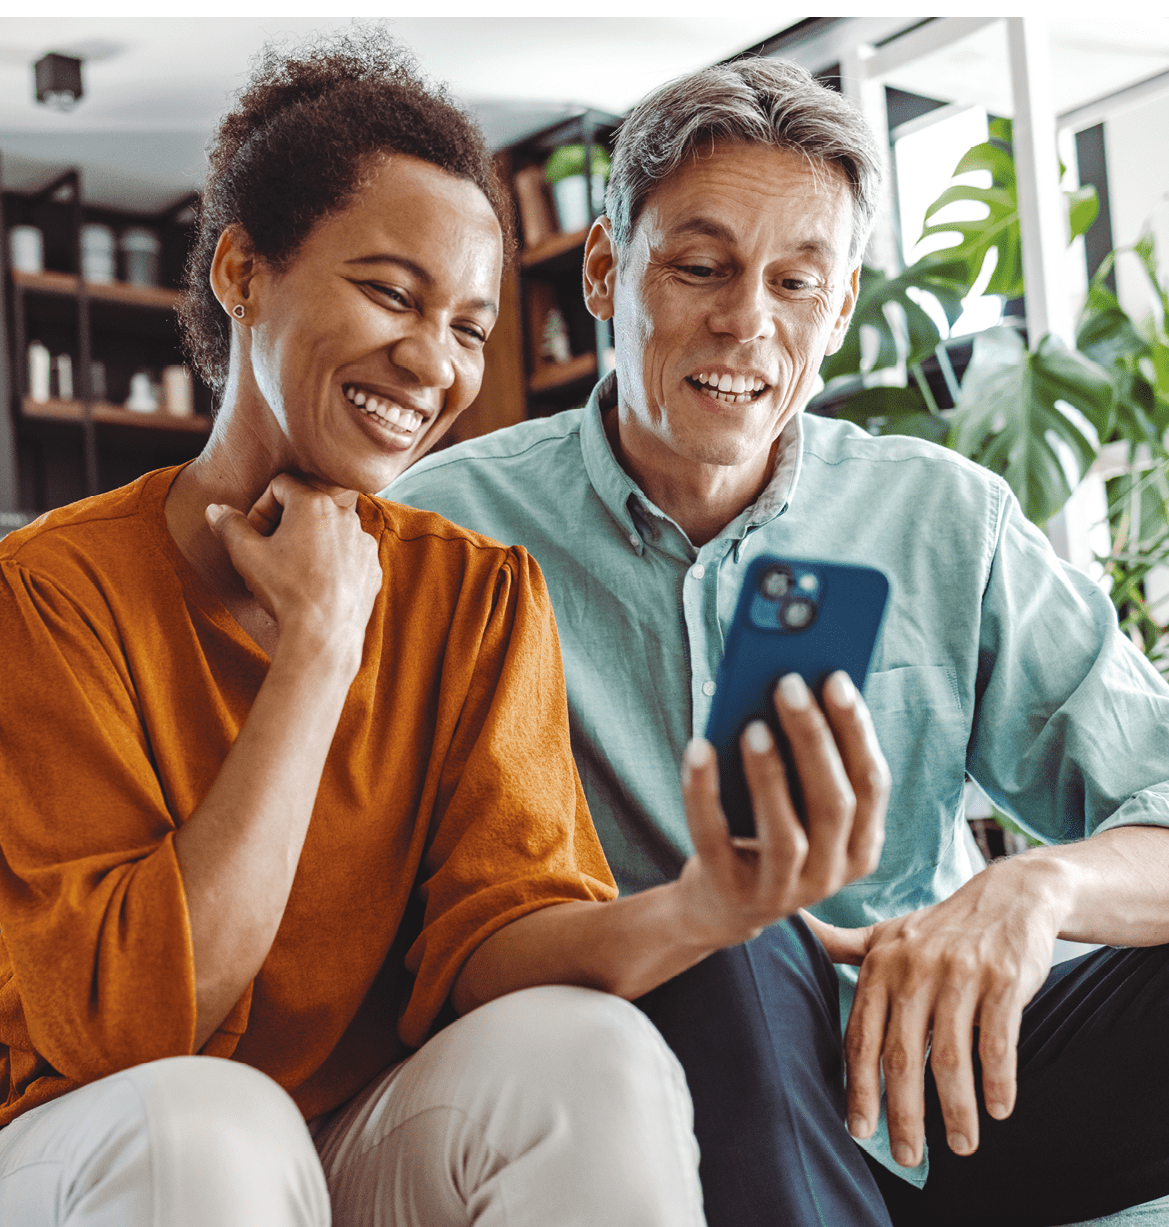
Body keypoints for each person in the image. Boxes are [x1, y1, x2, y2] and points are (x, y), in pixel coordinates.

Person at [0, 34, 891, 1227]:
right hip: (105, 1134)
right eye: (388, 293)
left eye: (470, 328)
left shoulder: (474, 593)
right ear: (241, 272)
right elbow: (141, 1022)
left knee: (594, 1057)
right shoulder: (51, 590)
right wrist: (318, 650)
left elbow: (496, 941)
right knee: (211, 1124)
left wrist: (705, 909)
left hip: (362, 1137)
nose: (431, 364)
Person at [390, 55, 1169, 1227]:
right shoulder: (446, 529)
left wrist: (1039, 884)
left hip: (939, 1075)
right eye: (699, 267)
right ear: (605, 271)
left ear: (841, 309)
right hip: (677, 1088)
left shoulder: (941, 518)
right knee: (733, 947)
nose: (745, 322)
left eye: (796, 283)